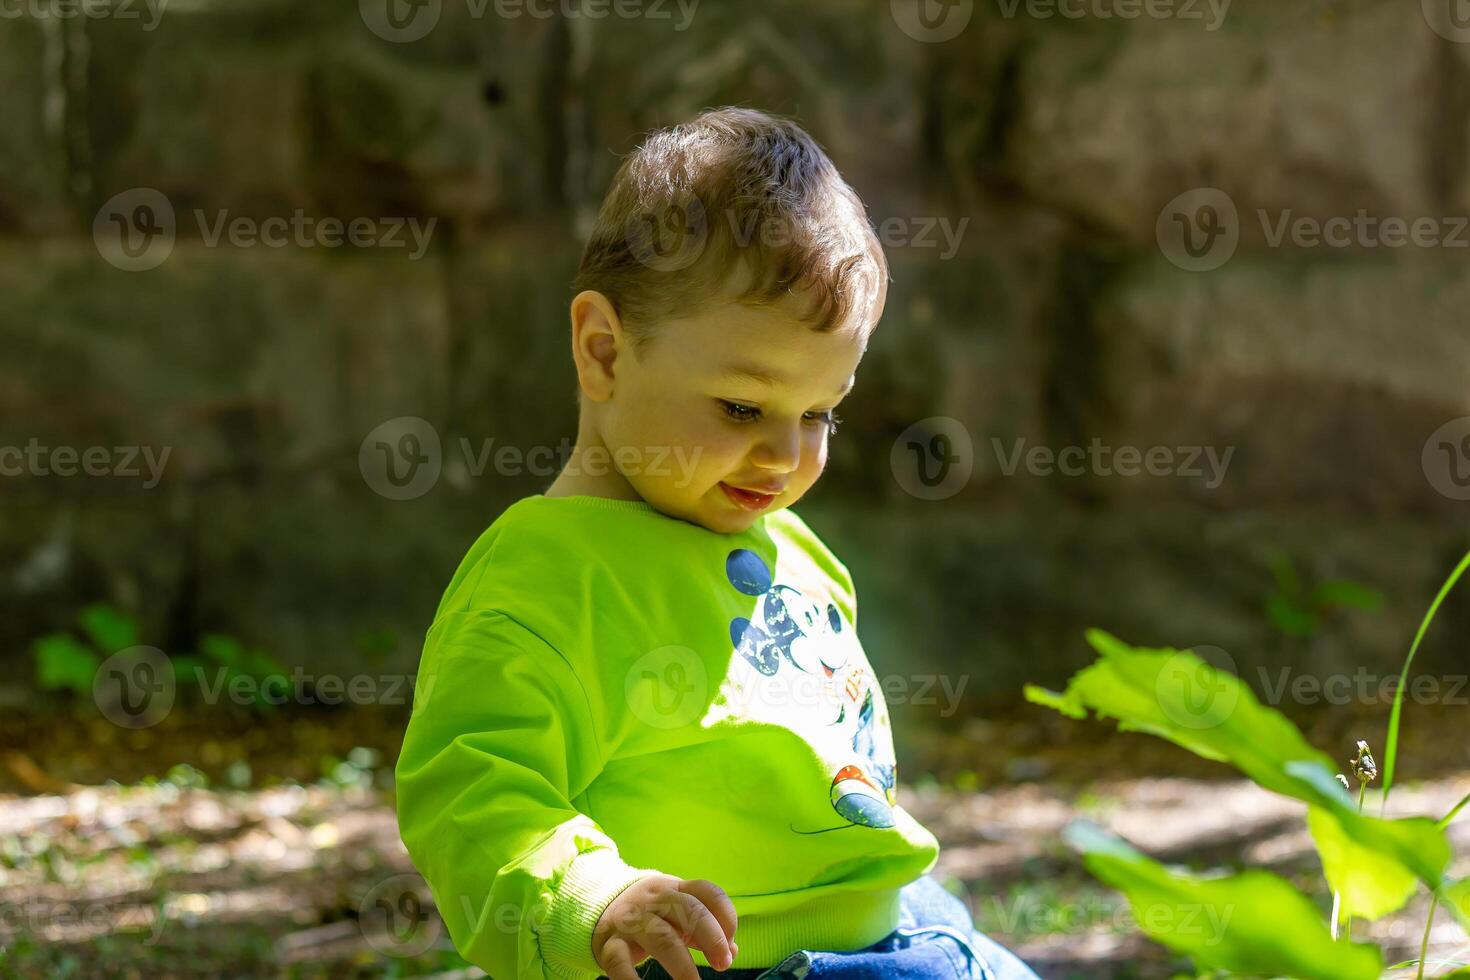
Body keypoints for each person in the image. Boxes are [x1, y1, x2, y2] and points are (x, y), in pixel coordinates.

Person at [395, 106, 1041, 980]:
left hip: (909, 929)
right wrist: (594, 899)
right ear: (604, 353)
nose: (786, 455)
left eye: (820, 413)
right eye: (743, 408)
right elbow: (472, 790)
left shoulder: (797, 551)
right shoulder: (542, 579)